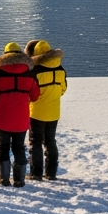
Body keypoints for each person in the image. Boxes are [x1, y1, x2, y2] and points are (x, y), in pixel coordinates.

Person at [0, 42, 40, 187]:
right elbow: (35, 95)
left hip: (2, 118)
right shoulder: (30, 73)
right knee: (19, 147)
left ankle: (3, 178)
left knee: (3, 147)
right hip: (21, 119)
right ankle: (19, 180)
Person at [27, 40, 67, 181]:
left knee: (35, 142)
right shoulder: (60, 69)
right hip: (54, 112)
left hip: (36, 112)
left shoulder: (34, 71)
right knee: (50, 142)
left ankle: (36, 173)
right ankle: (51, 173)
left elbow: (30, 93)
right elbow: (63, 89)